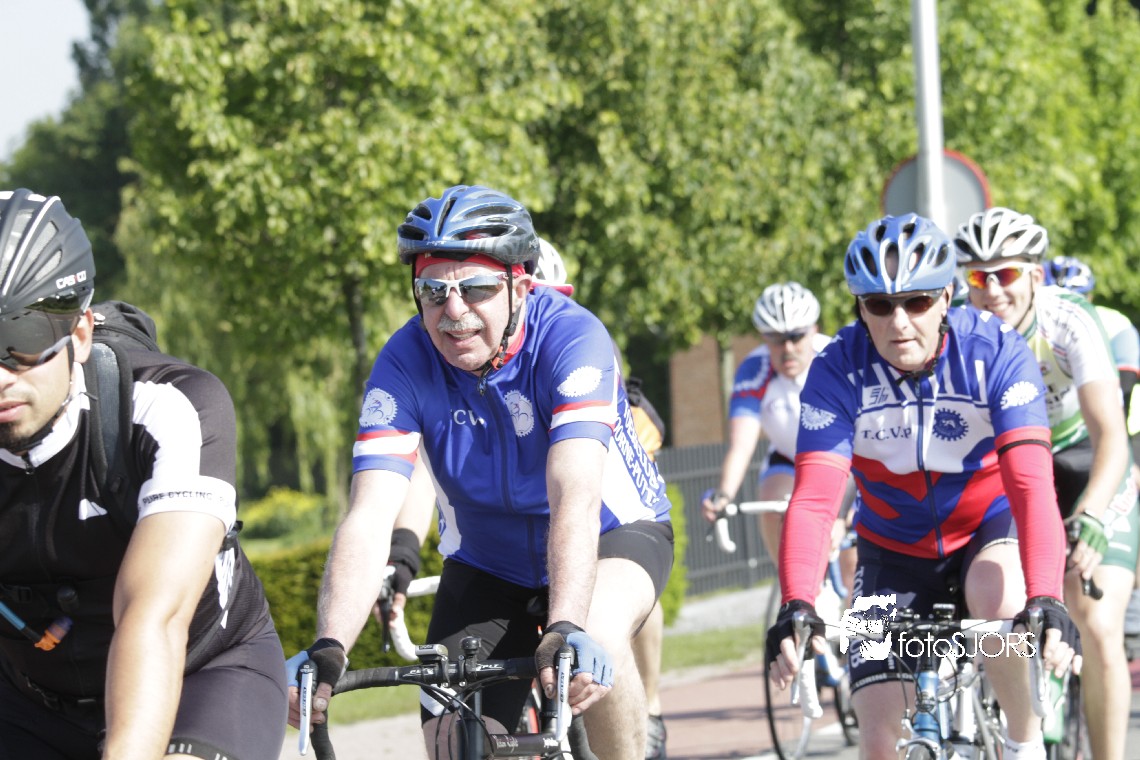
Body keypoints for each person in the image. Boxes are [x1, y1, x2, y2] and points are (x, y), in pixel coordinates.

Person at [287, 185, 674, 760]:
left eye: (475, 288)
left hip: (609, 535)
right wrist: (329, 647)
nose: (454, 311)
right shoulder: (403, 361)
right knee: (450, 734)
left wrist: (567, 625)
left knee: (596, 641)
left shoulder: (573, 339)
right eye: (433, 290)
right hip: (488, 561)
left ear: (521, 284)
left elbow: (574, 494)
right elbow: (369, 515)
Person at [767, 213, 1080, 760]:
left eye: (916, 301)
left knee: (1000, 598)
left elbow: (1032, 487)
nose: (899, 322)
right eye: (879, 305)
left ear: (946, 298)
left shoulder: (996, 352)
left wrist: (1047, 597)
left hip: (988, 527)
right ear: (860, 308)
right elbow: (815, 499)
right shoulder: (837, 369)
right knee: (879, 737)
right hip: (892, 548)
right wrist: (797, 601)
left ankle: (1023, 743)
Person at [0, 189, 287, 759]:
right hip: (29, 700)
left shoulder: (170, 408)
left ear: (80, 334)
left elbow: (154, 618)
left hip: (201, 675)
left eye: (21, 338)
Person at [957, 209, 1139, 760]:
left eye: (1007, 274)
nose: (992, 290)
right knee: (997, 597)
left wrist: (1093, 515)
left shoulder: (1069, 321)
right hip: (1009, 464)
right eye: (978, 276)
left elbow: (1111, 437)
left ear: (1036, 275)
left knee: (1097, 621)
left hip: (1082, 461)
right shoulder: (959, 328)